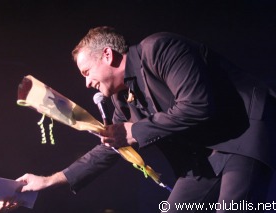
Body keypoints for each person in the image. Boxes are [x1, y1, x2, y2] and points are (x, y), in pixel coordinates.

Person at [17, 26, 276, 212]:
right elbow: (109, 149)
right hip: (203, 161)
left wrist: (135, 130)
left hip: (243, 135)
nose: (87, 83)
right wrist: (49, 180)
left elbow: (198, 104)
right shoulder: (122, 101)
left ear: (107, 55)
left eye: (87, 72)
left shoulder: (160, 48)